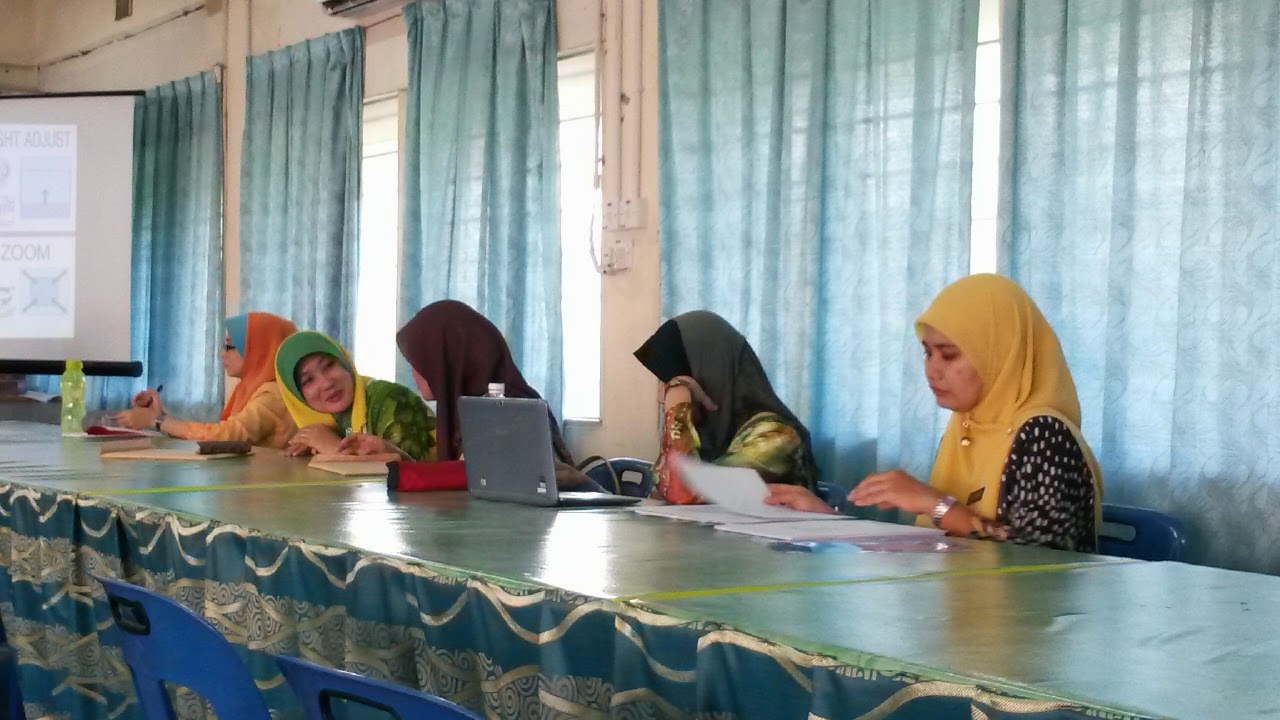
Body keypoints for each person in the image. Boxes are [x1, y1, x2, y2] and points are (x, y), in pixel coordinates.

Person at [766, 274, 1103, 552]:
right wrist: (825, 521)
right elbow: (933, 550)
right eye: (928, 353)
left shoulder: (1043, 434)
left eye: (949, 355)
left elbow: (1040, 558)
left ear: (1000, 354)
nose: (932, 370)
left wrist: (934, 504)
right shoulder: (966, 427)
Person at [634, 310, 819, 504]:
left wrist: (678, 396)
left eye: (671, 383)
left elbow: (680, 491)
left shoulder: (777, 436)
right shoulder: (711, 435)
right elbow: (662, 491)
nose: (662, 398)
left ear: (710, 373)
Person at [396, 299, 574, 464]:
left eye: (419, 362)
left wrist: (404, 466)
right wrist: (403, 461)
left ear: (447, 360)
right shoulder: (474, 410)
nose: (414, 372)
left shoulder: (503, 414)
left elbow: (466, 483)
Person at [114, 312, 298, 448]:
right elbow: (214, 434)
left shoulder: (273, 394)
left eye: (229, 346)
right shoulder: (249, 388)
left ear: (259, 349)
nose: (222, 354)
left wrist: (157, 420)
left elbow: (227, 436)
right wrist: (160, 415)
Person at [273, 330, 436, 460]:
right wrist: (313, 444)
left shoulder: (392, 399)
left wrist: (334, 448)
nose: (327, 383)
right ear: (297, 396)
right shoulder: (325, 423)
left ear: (345, 362)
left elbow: (408, 476)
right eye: (308, 380)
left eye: (329, 365)